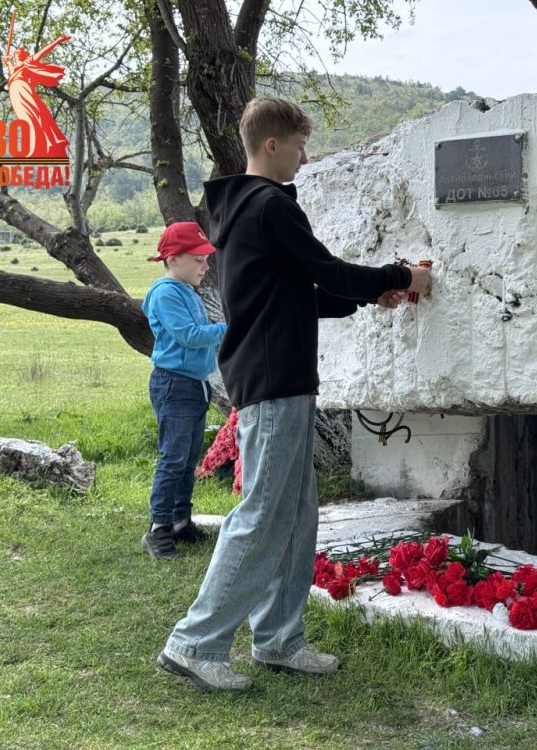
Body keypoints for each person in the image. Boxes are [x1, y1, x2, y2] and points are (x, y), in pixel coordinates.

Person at [157, 96, 431, 691]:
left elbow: (294, 292)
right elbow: (326, 270)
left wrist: (368, 295)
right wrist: (400, 277)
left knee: (298, 512)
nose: (305, 158)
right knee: (262, 512)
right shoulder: (266, 207)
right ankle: (195, 642)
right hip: (274, 378)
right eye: (300, 146)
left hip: (277, 375)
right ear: (271, 144)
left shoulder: (236, 211)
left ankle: (279, 639)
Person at [141, 222, 227, 560]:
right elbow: (189, 335)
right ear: (173, 258)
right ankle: (158, 529)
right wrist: (230, 329)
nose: (205, 267)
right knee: (173, 457)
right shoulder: (165, 292)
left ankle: (180, 520)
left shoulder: (187, 291)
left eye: (206, 260)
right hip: (174, 384)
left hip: (194, 383)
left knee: (189, 457)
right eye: (199, 259)